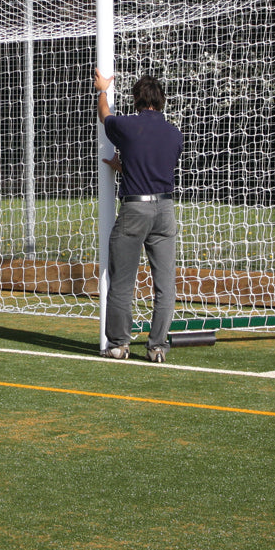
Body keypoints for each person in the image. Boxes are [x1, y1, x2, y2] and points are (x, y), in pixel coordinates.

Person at [94, 69, 183, 363]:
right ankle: (157, 346)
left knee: (122, 281)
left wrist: (103, 89)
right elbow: (155, 168)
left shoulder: (128, 126)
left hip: (135, 210)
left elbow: (104, 114)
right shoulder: (174, 133)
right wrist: (126, 168)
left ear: (136, 100)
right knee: (165, 284)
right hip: (165, 210)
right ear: (161, 101)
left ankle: (119, 344)